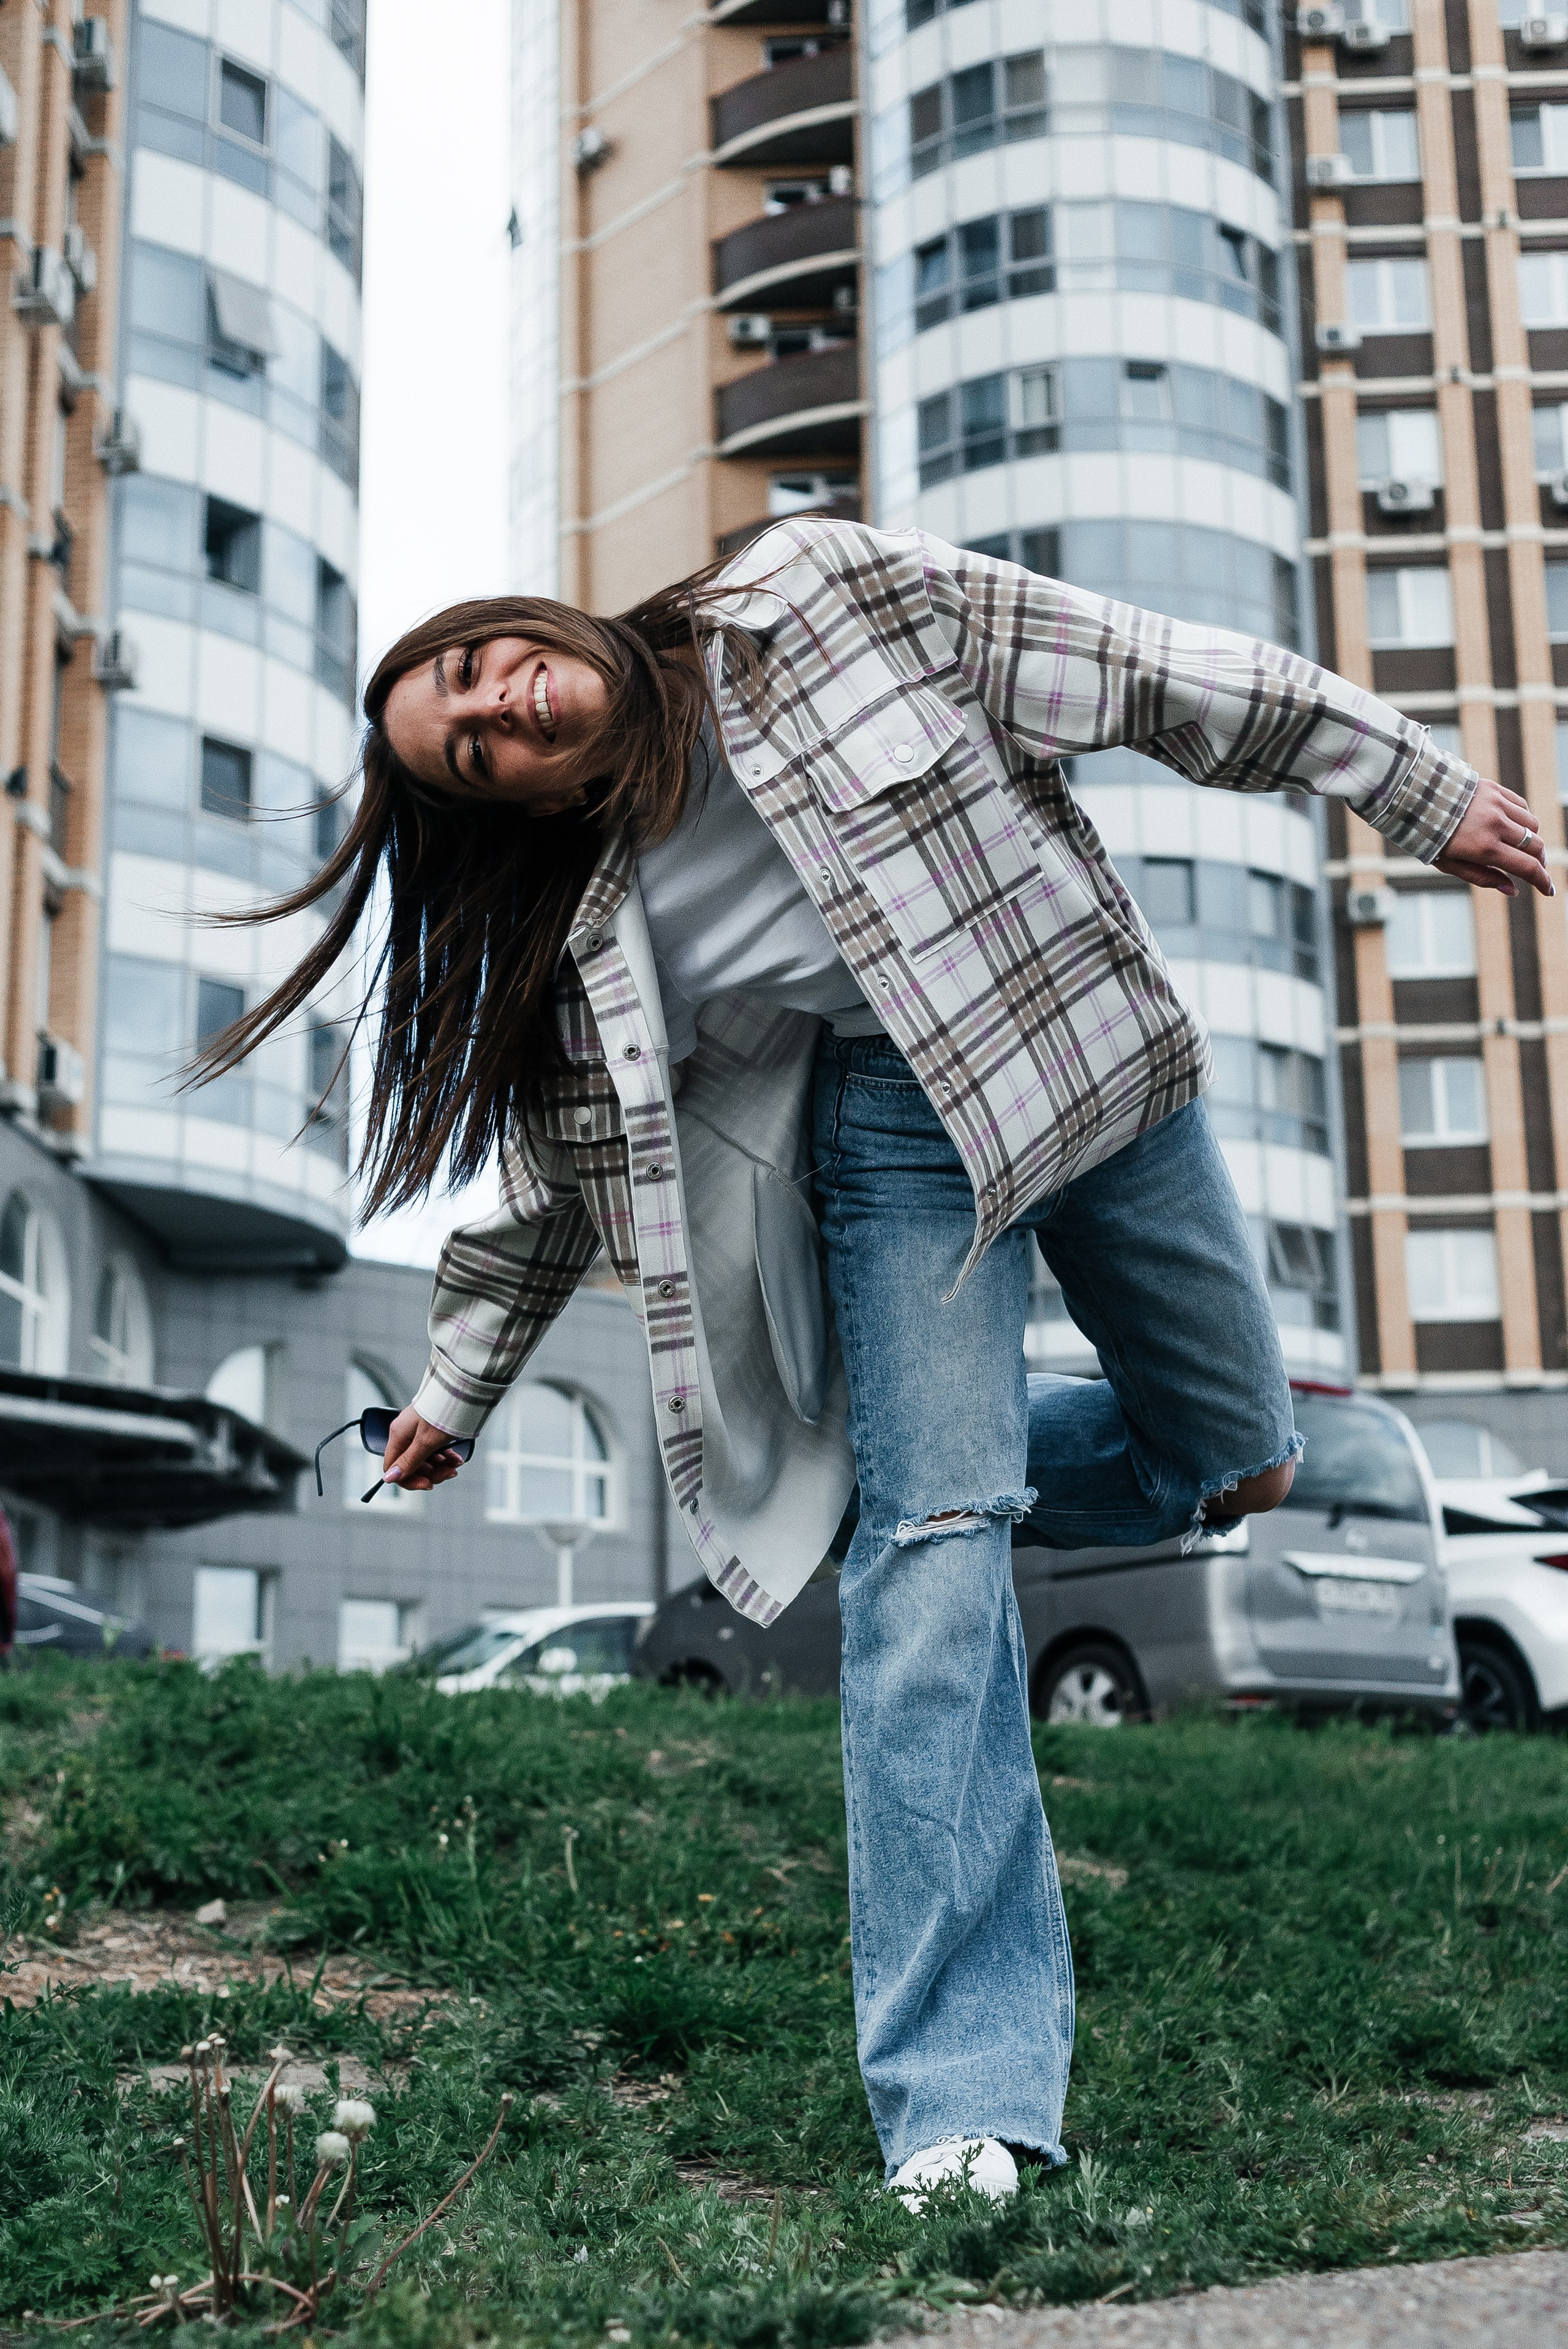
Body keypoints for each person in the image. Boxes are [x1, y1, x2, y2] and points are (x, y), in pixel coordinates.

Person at [198, 523, 1551, 2206]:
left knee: (1238, 1460)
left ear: (527, 625)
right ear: (517, 800)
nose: (510, 710)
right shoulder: (594, 948)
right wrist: (452, 1396)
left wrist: (1405, 785)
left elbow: (1144, 666)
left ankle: (914, 1481)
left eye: (487, 671)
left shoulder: (815, 598)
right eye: (476, 748)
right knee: (934, 1551)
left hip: (1085, 1055)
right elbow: (552, 1193)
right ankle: (965, 2109)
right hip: (892, 1129)